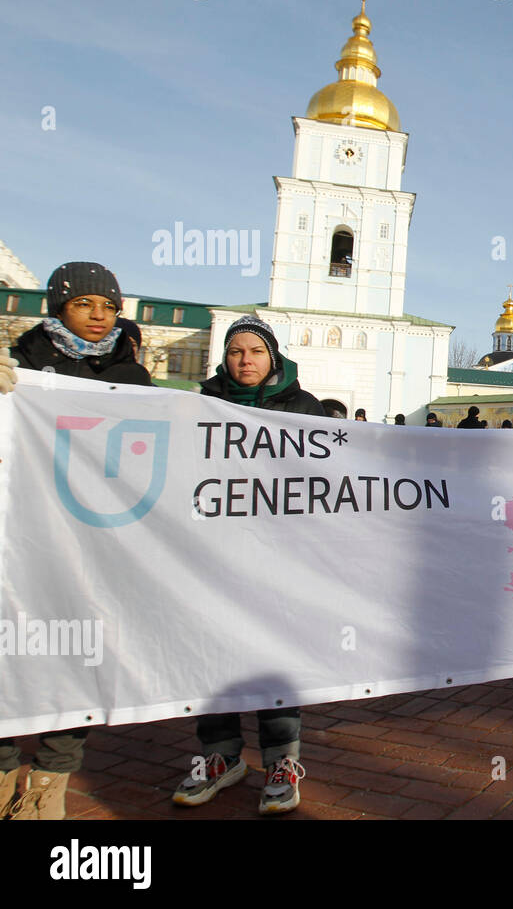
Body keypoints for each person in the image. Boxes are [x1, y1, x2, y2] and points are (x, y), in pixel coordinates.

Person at [1, 261, 151, 819]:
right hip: (18, 531)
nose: (98, 316)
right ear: (59, 306)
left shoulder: (131, 376)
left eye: (108, 306)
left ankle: (49, 782)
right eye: (85, 304)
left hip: (92, 537)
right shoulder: (22, 363)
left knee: (76, 651)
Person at [171, 315, 323, 815]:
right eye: (236, 351)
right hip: (214, 554)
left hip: (278, 558)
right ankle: (220, 756)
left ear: (272, 358)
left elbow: (329, 478)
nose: (245, 361)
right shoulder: (201, 404)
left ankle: (281, 763)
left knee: (271, 657)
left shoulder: (304, 409)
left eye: (255, 352)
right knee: (213, 654)